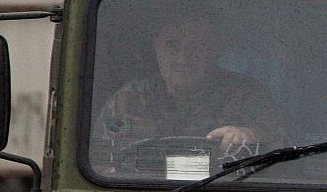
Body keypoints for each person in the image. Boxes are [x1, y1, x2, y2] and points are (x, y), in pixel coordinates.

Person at [93, 14, 281, 172]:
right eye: (172, 45)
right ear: (157, 48)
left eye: (197, 46)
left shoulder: (246, 96)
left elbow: (284, 155)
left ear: (215, 51)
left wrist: (248, 134)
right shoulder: (127, 99)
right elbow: (98, 162)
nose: (183, 59)